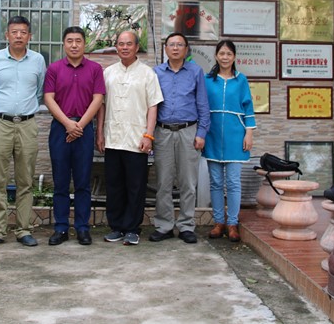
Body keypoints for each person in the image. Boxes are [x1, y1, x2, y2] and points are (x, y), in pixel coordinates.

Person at [0, 15, 46, 248]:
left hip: (27, 123)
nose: (18, 36)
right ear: (7, 35)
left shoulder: (38, 60)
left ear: (29, 36)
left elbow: (40, 92)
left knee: (25, 179)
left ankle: (23, 229)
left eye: (23, 32)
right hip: (0, 123)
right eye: (14, 32)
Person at [96, 31, 163, 246]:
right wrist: (100, 133)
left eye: (129, 44)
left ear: (136, 47)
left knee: (136, 186)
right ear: (116, 47)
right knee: (114, 186)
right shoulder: (108, 73)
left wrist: (148, 135)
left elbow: (153, 106)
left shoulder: (147, 74)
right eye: (121, 44)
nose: (124, 47)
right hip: (113, 138)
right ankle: (116, 227)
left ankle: (133, 229)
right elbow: (101, 105)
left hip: (137, 140)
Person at [44, 26, 105, 246]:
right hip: (60, 128)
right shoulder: (54, 69)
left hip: (84, 129)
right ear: (64, 44)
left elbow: (98, 99)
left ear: (84, 44)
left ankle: (82, 228)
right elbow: (48, 98)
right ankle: (61, 228)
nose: (74, 45)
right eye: (69, 41)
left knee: (82, 182)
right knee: (60, 182)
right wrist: (68, 124)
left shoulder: (95, 69)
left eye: (78, 41)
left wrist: (79, 125)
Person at [150, 33, 210, 244]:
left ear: (186, 49)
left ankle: (186, 226)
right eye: (171, 45)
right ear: (165, 48)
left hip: (188, 131)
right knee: (163, 182)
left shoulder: (196, 72)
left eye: (179, 45)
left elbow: (203, 105)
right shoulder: (156, 73)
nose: (175, 48)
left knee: (188, 183)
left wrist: (201, 133)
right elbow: (150, 105)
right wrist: (149, 134)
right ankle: (164, 226)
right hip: (162, 132)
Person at [202, 40, 255, 243]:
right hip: (213, 135)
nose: (225, 57)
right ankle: (218, 222)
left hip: (235, 136)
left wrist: (249, 133)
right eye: (222, 53)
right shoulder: (207, 80)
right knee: (215, 182)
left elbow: (248, 107)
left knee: (233, 182)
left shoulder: (241, 80)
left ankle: (232, 223)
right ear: (216, 56)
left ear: (234, 57)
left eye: (229, 54)